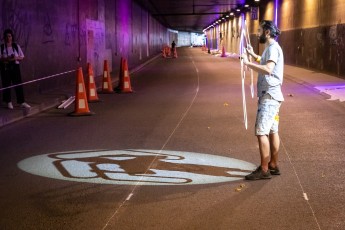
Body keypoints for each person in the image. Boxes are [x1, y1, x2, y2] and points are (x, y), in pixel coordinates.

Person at [241, 20, 284, 180]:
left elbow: (268, 69)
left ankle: (264, 169)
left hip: (269, 97)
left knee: (261, 132)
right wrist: (254, 56)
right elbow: (265, 62)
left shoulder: (272, 48)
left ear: (267, 32)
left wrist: (248, 63)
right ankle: (273, 164)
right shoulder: (271, 48)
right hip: (273, 95)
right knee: (272, 131)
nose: (257, 33)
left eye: (259, 31)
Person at [0, 29, 30, 109]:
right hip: (5, 68)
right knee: (6, 84)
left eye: (9, 36)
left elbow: (22, 57)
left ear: (12, 37)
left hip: (15, 67)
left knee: (18, 84)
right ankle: (8, 102)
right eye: (6, 36)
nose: (8, 38)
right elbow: (0, 58)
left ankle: (21, 102)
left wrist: (15, 58)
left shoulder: (16, 46)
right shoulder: (2, 47)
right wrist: (7, 59)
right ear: (4, 37)